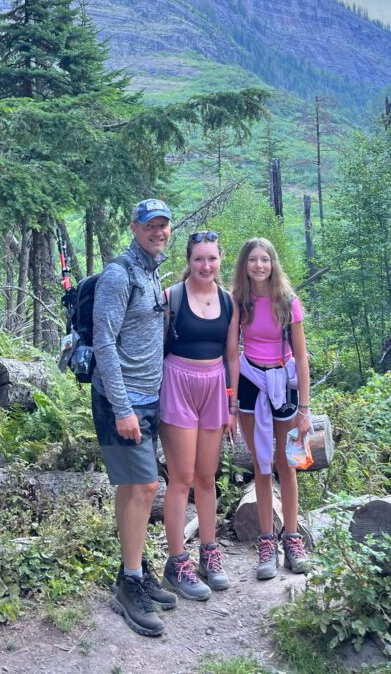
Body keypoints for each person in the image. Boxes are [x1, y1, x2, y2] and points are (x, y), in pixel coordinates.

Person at [91, 198, 178, 637]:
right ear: (134, 228)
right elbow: (103, 342)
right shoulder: (118, 273)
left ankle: (136, 566)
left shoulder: (151, 270)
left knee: (131, 487)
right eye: (150, 226)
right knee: (146, 486)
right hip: (119, 400)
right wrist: (122, 407)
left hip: (147, 398)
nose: (158, 232)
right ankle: (129, 586)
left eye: (164, 225)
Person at [158, 231, 240, 600]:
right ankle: (177, 562)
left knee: (206, 477)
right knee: (181, 477)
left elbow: (232, 354)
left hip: (214, 387)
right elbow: (153, 347)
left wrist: (232, 405)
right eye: (198, 259)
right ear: (188, 261)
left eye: (212, 259)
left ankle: (210, 553)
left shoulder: (229, 301)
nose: (205, 266)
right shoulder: (171, 298)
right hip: (177, 382)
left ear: (221, 260)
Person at [232, 237, 311, 579]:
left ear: (273, 263)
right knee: (262, 464)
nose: (259, 265)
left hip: (285, 386)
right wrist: (231, 401)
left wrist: (305, 410)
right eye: (253, 260)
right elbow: (231, 353)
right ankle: (267, 542)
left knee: (288, 463)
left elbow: (302, 357)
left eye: (265, 259)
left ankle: (292, 539)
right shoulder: (239, 302)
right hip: (250, 384)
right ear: (244, 265)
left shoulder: (287, 302)